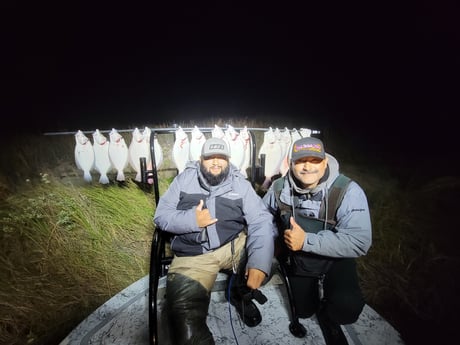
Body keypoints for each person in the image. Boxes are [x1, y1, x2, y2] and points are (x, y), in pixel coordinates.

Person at [154, 137, 277, 345]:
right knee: (184, 326)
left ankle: (240, 294)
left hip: (232, 246)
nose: (216, 162)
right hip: (193, 256)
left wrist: (259, 264)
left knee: (267, 262)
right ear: (201, 159)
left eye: (222, 157)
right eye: (210, 157)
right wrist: (193, 220)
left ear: (229, 160)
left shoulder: (241, 183)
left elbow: (261, 220)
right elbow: (161, 216)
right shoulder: (184, 180)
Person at [262, 136, 372, 345]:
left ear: (325, 162)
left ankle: (329, 315)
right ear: (291, 163)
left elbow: (359, 241)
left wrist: (306, 242)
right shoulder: (278, 187)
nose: (307, 167)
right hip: (298, 259)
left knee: (346, 310)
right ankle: (313, 302)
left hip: (336, 259)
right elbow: (263, 219)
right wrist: (269, 247)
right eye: (301, 161)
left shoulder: (348, 190)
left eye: (314, 161)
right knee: (303, 311)